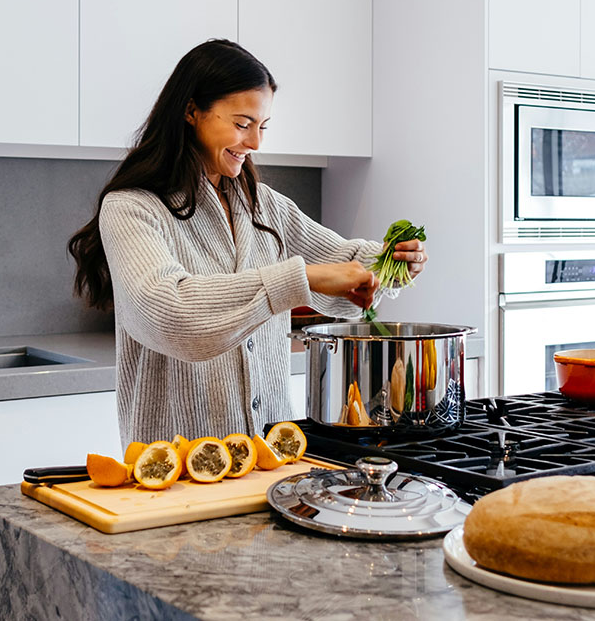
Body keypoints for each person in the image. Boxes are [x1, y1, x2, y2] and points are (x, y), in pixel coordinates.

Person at [68, 39, 428, 447]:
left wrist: (391, 263)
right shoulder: (133, 208)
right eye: (242, 124)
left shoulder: (264, 205)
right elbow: (171, 313)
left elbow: (343, 263)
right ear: (190, 112)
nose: (256, 143)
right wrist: (299, 279)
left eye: (262, 126)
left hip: (274, 456)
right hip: (177, 466)